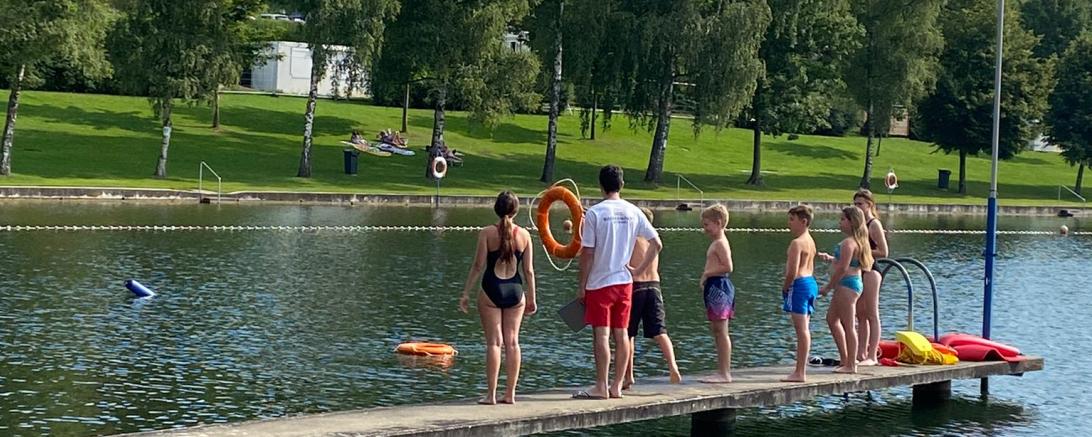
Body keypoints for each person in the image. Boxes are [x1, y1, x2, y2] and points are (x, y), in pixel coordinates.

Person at [573, 165, 661, 400]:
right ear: (622, 185)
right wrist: (639, 269)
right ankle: (617, 385)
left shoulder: (595, 213)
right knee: (622, 334)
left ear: (600, 186)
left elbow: (588, 253)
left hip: (600, 282)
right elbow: (657, 243)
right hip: (625, 283)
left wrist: (581, 285)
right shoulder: (634, 211)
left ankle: (601, 385)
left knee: (601, 335)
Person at [459, 191, 537, 405]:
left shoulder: (486, 233)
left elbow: (477, 266)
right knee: (513, 342)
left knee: (494, 343)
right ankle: (510, 394)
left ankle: (491, 395)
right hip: (515, 290)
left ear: (496, 209)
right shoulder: (525, 235)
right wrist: (532, 297)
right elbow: (529, 270)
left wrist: (465, 293)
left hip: (491, 288)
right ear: (515, 210)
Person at [623, 207, 682, 389]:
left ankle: (628, 375)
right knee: (660, 331)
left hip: (636, 286)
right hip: (654, 286)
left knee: (627, 333)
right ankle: (672, 365)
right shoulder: (652, 240)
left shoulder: (632, 239)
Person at [818, 207, 874, 375]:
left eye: (843, 219)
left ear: (852, 222)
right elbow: (845, 262)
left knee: (848, 324)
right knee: (831, 319)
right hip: (849, 283)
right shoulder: (855, 241)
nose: (840, 222)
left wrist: (828, 287)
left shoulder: (849, 243)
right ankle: (845, 358)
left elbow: (842, 268)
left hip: (847, 285)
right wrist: (831, 258)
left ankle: (851, 363)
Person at [781, 205, 818, 382]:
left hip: (799, 284)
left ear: (803, 222)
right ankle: (800, 369)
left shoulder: (797, 243)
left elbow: (792, 271)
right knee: (804, 328)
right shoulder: (810, 240)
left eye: (792, 220)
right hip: (811, 282)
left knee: (801, 329)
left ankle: (800, 371)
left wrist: (785, 287)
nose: (789, 224)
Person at [699, 204, 735, 383]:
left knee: (721, 330)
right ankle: (721, 370)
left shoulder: (721, 243)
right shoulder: (716, 242)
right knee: (717, 330)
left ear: (718, 223)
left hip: (719, 286)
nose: (704, 229)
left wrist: (707, 274)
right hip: (714, 286)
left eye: (707, 225)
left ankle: (725, 373)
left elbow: (728, 266)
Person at [853, 189, 888, 366]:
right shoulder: (857, 224)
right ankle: (861, 353)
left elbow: (884, 251)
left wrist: (862, 252)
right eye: (855, 204)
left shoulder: (874, 224)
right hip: (860, 270)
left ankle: (872, 355)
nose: (857, 207)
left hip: (872, 270)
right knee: (860, 314)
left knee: (872, 313)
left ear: (869, 204)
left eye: (860, 204)